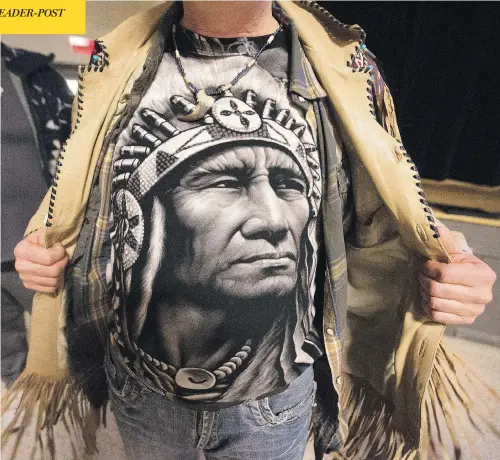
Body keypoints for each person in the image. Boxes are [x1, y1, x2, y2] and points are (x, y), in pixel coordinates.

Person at [4, 2, 497, 460]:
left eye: (284, 183)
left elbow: (389, 204)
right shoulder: (115, 67)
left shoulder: (343, 71)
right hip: (142, 393)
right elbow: (81, 200)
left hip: (276, 400)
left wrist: (453, 268)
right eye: (225, 181)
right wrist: (43, 247)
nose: (271, 220)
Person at [0, 43, 73, 388]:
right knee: (6, 351)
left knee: (70, 341)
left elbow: (80, 151)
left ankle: (85, 418)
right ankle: (22, 411)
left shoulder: (33, 75)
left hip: (41, 245)